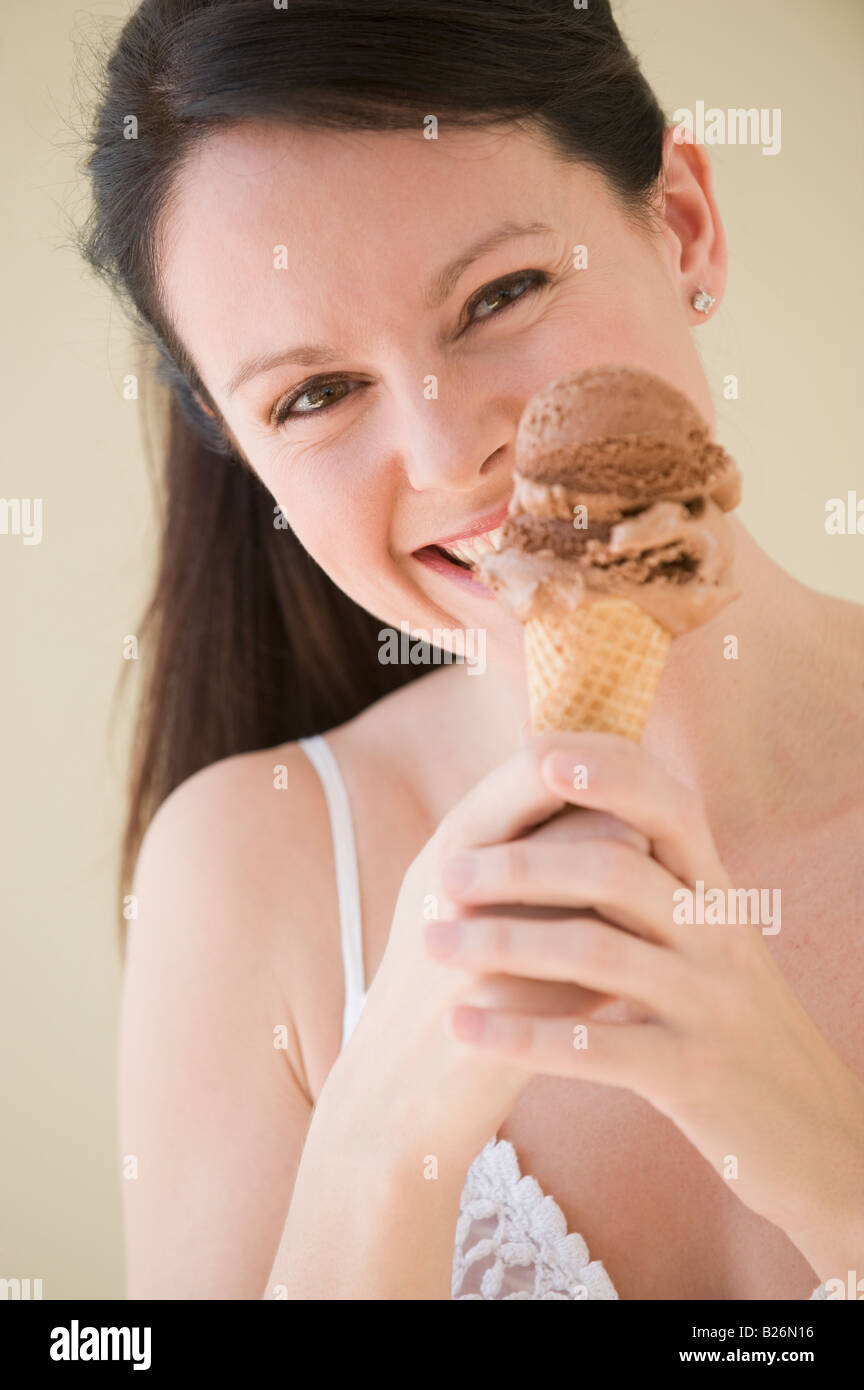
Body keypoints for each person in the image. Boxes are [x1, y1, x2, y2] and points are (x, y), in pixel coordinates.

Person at [81, 0, 864, 1299]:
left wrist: (831, 1168)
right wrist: (385, 1138)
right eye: (315, 395)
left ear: (682, 228)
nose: (453, 458)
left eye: (501, 293)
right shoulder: (249, 874)